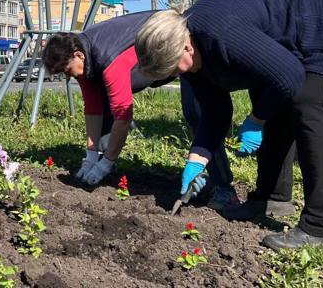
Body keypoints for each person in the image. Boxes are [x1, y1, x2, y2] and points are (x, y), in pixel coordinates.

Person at [135, 0, 323, 249]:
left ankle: (321, 227)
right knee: (270, 94)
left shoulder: (219, 31)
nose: (177, 75)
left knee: (312, 102)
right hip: (302, 24)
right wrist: (197, 158)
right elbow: (216, 112)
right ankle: (272, 198)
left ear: (186, 46)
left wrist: (257, 119)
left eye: (174, 70)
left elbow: (290, 75)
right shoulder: (193, 54)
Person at [41, 12, 238, 210]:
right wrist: (91, 155)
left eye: (67, 71)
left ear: (78, 55)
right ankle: (109, 171)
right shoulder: (86, 60)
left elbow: (124, 117)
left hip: (173, 45)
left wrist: (104, 163)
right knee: (107, 111)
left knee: (198, 113)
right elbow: (93, 110)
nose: (68, 77)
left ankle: (223, 188)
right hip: (150, 64)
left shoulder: (108, 59)